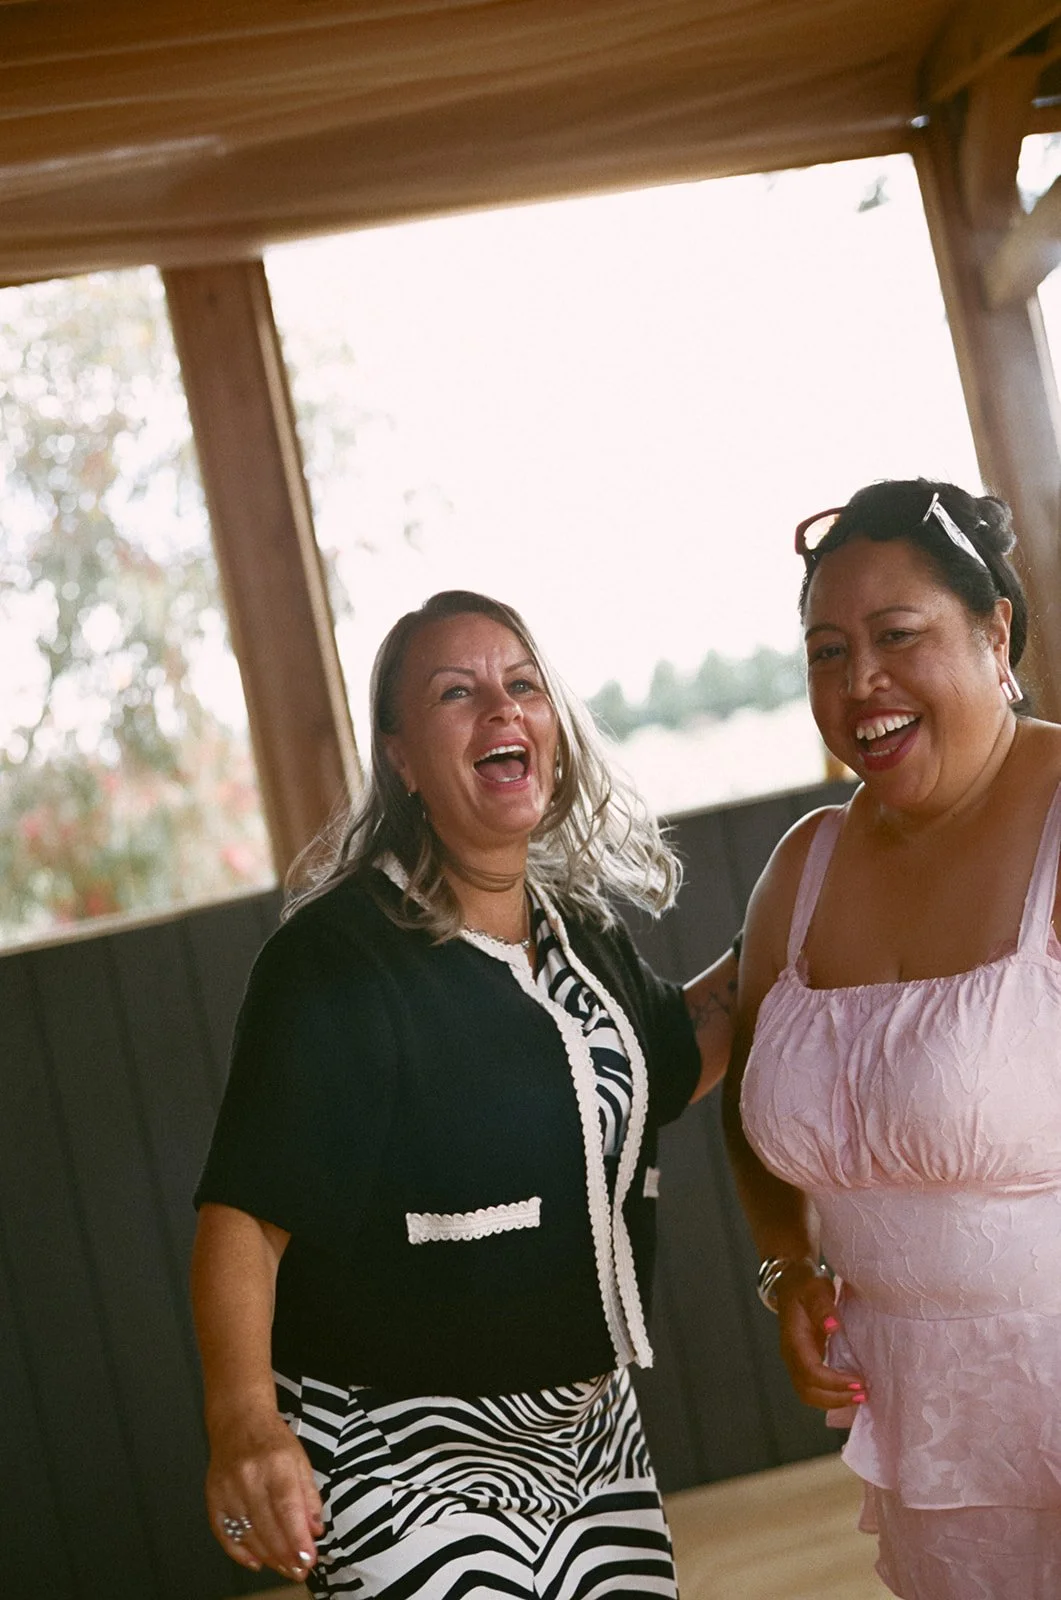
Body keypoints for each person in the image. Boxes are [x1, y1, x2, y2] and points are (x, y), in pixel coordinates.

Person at [192, 589, 737, 1598]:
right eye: (457, 692)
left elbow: (670, 1061)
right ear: (400, 757)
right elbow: (245, 1218)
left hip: (589, 1430)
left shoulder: (582, 932)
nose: (501, 707)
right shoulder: (334, 961)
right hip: (397, 1442)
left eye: (520, 683)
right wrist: (243, 1424)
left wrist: (801, 924)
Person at [725, 478, 1061, 1598]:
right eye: (825, 650)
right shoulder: (803, 867)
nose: (856, 679)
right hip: (919, 1412)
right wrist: (787, 1267)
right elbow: (741, 1085)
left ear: (994, 630)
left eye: (894, 635)